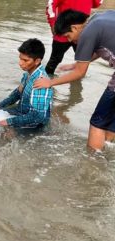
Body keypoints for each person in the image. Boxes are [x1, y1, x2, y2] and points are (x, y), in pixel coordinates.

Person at [34, 9, 115, 151]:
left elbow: (80, 73)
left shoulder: (87, 33)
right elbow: (103, 46)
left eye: (68, 35)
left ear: (75, 27)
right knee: (111, 119)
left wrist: (50, 82)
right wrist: (77, 63)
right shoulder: (100, 18)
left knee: (98, 122)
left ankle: (92, 162)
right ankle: (108, 148)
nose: (70, 40)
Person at [0, 38, 53, 129]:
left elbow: (38, 117)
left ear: (37, 61)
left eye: (25, 60)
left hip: (34, 124)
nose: (20, 63)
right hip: (21, 112)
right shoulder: (28, 74)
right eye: (20, 59)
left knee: (4, 132)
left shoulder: (40, 82)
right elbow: (16, 94)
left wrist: (9, 122)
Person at [45, 0, 102, 75]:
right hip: (64, 32)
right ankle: (44, 80)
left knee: (83, 60)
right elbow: (50, 4)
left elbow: (97, 3)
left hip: (81, 33)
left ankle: (76, 81)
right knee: (54, 60)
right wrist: (52, 24)